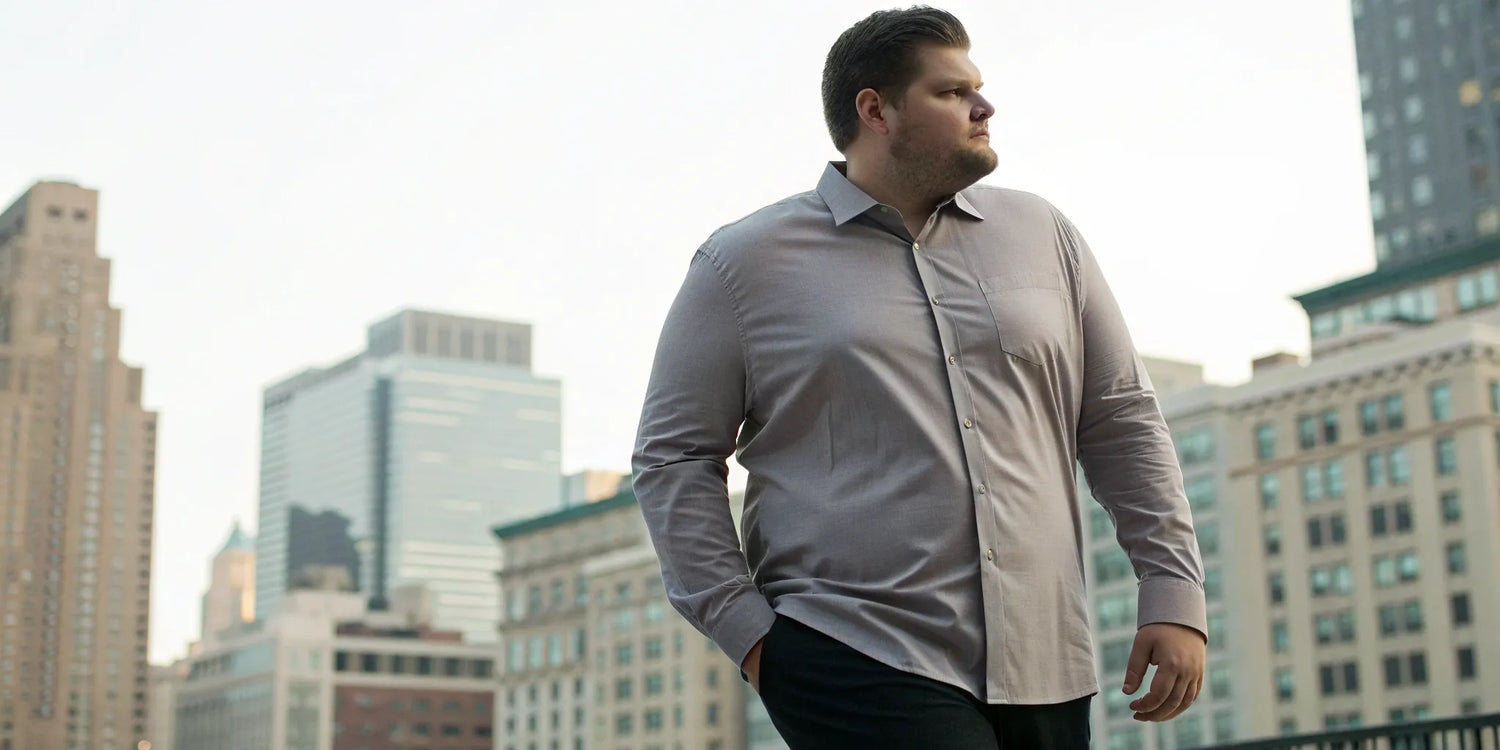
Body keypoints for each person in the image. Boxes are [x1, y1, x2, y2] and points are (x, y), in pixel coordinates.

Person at [631, 6, 1206, 748]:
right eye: (951, 91)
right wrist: (750, 636)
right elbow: (673, 456)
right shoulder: (742, 263)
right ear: (876, 110)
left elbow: (1122, 419)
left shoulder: (1044, 235)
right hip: (852, 650)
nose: (984, 106)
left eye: (977, 87)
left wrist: (1173, 590)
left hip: (1046, 659)